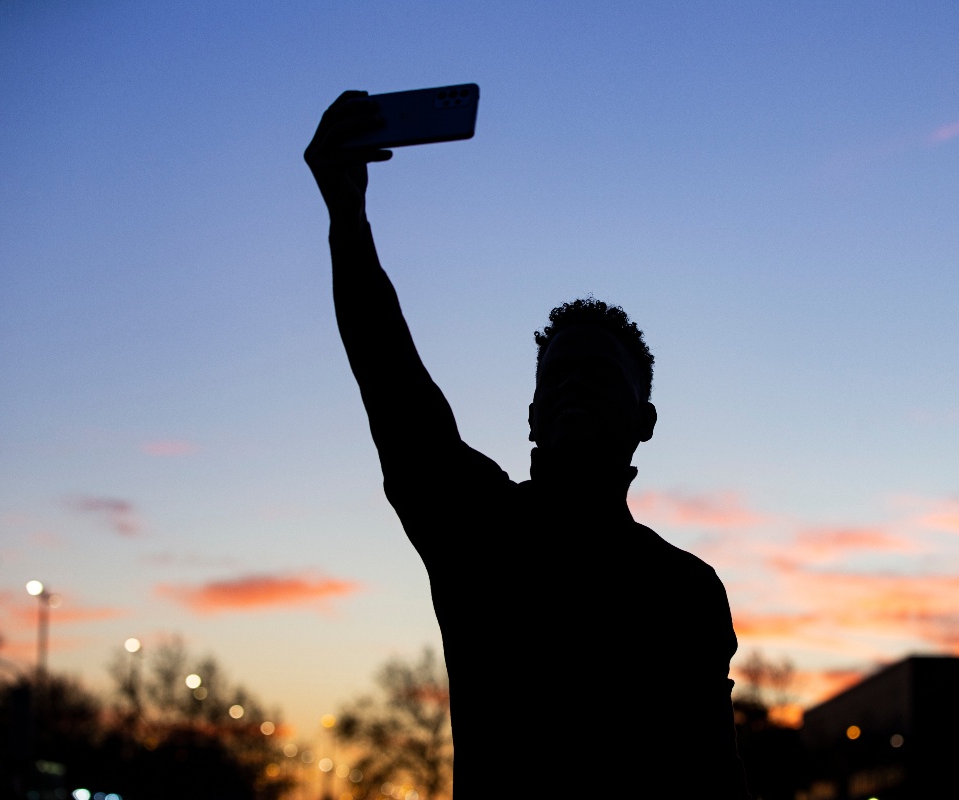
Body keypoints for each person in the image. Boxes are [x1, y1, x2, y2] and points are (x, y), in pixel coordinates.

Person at [306, 90, 750, 798]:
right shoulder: (478, 526)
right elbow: (390, 376)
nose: (575, 386)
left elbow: (713, 780)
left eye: (601, 375)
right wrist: (346, 218)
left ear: (645, 420)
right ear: (533, 414)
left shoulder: (687, 591)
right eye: (558, 374)